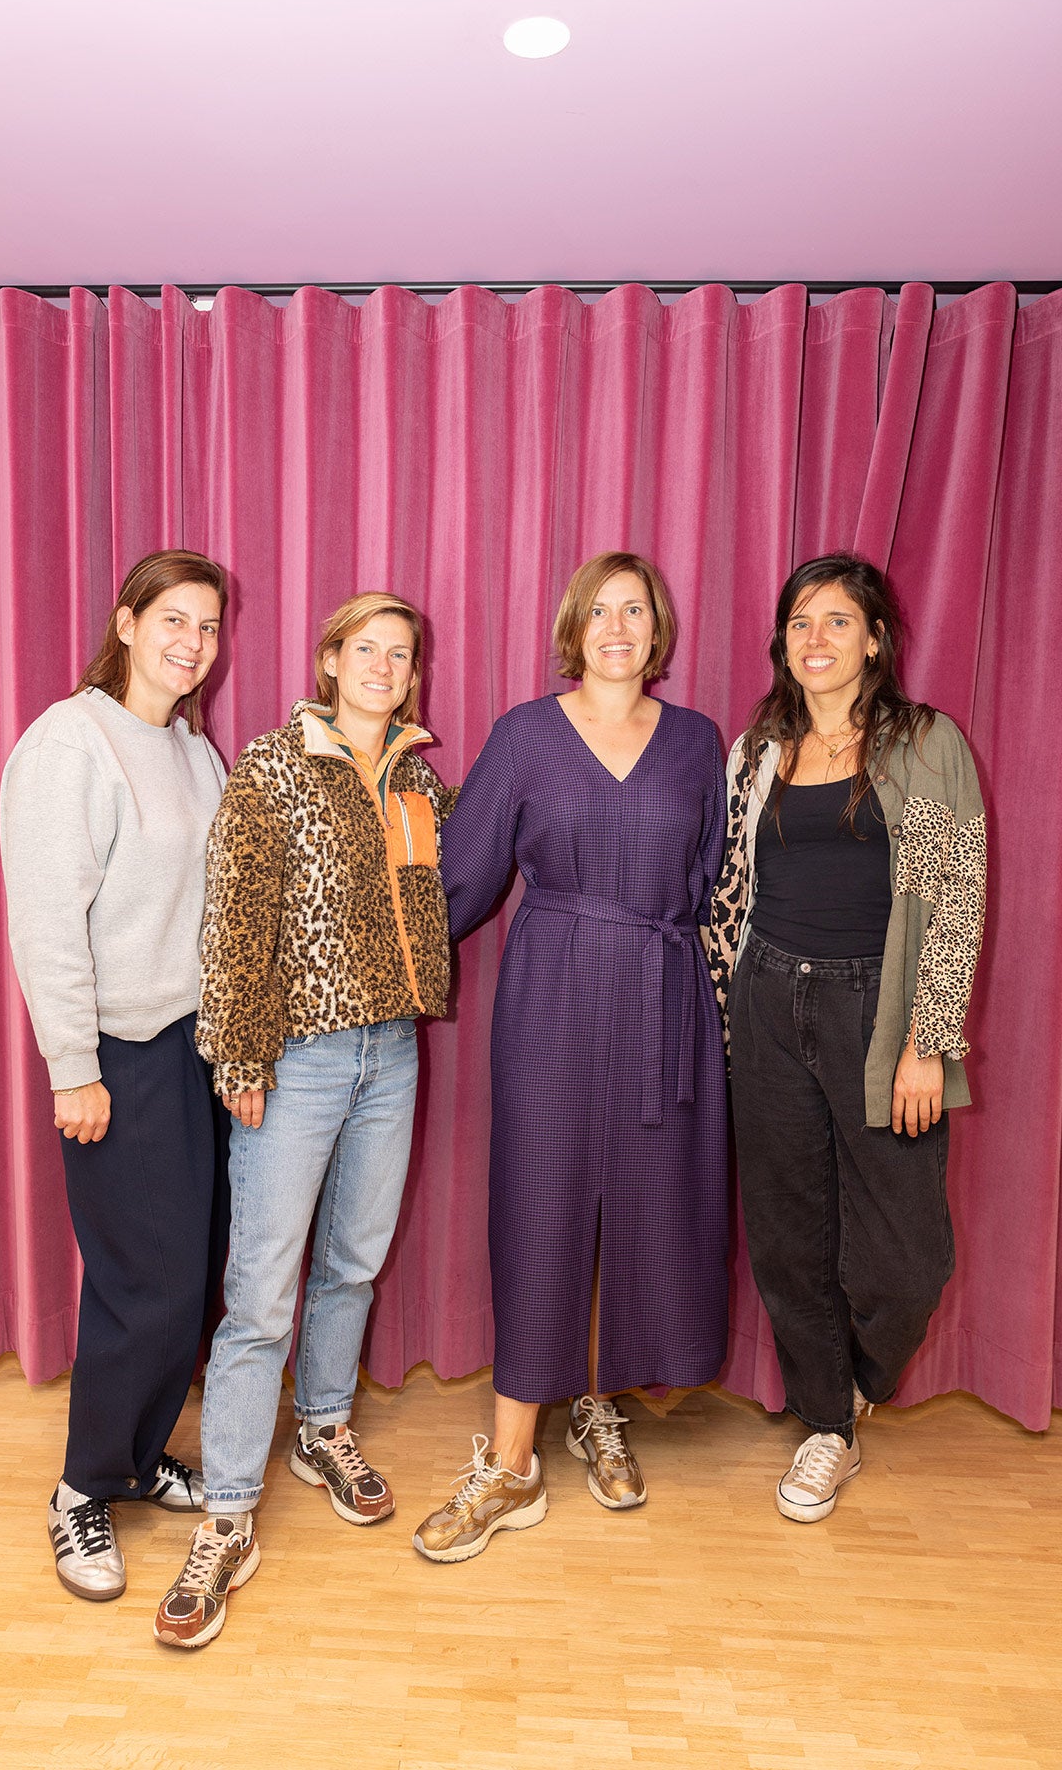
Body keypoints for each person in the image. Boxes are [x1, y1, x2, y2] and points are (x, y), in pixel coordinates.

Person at [413, 552, 729, 1563]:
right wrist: (375, 970)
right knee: (542, 1202)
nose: (618, 627)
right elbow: (462, 875)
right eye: (600, 611)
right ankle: (512, 1464)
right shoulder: (526, 735)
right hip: (552, 993)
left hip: (662, 996)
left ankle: (599, 1405)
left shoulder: (697, 740)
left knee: (645, 1203)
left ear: (658, 629)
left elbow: (716, 879)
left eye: (635, 610)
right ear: (573, 629)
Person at [153, 591, 454, 1648]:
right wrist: (239, 1052)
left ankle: (323, 1427)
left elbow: (438, 893)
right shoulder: (273, 768)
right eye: (365, 648)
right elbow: (235, 918)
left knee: (355, 1261)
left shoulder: (418, 778)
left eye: (400, 653)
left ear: (412, 674)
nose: (383, 666)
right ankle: (229, 1515)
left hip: (393, 1052)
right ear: (330, 660)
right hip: (298, 1057)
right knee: (261, 1291)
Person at [707, 552, 986, 1522]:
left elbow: (956, 897)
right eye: (799, 623)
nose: (815, 639)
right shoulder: (756, 749)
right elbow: (726, 893)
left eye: (837, 621)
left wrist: (927, 1039)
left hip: (880, 1012)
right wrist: (720, 1018)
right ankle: (827, 1423)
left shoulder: (926, 742)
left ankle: (859, 1379)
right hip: (767, 999)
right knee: (789, 1234)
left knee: (908, 1260)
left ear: (874, 640)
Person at [0, 549, 231, 1600]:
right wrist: (73, 1069)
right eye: (173, 619)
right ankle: (81, 1488)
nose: (193, 642)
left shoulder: (192, 750)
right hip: (116, 1059)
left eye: (208, 626)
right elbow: (47, 922)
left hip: (191, 1052)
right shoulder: (71, 742)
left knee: (187, 1279)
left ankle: (138, 1459)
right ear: (127, 623)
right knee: (143, 1284)